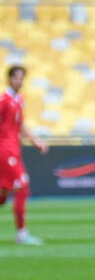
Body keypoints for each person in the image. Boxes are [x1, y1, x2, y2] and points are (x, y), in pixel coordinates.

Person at [0, 65, 48, 245]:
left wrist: (36, 141)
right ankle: (22, 234)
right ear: (9, 79)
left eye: (22, 78)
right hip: (4, 151)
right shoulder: (4, 100)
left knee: (3, 196)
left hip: (14, 149)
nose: (20, 81)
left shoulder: (19, 99)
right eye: (17, 77)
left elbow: (21, 125)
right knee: (23, 187)